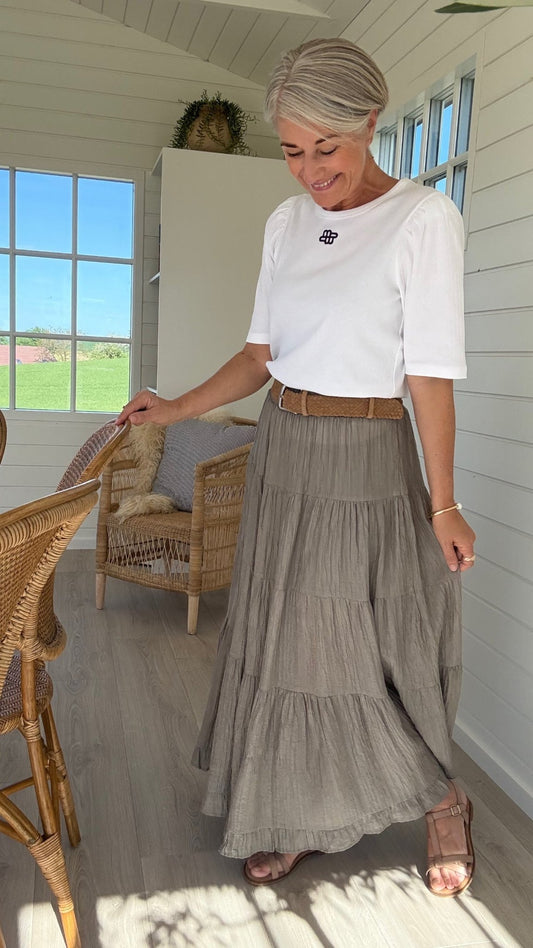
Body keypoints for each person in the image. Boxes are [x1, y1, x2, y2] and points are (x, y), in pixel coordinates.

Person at [117, 38, 476, 898]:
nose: (311, 171)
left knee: (365, 646)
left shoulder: (422, 220)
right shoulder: (285, 224)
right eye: (290, 150)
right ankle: (297, 816)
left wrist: (443, 503)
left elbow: (428, 377)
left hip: (365, 457)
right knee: (287, 644)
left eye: (327, 147)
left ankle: (441, 800)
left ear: (369, 123)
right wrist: (175, 408)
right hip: (284, 447)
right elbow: (260, 357)